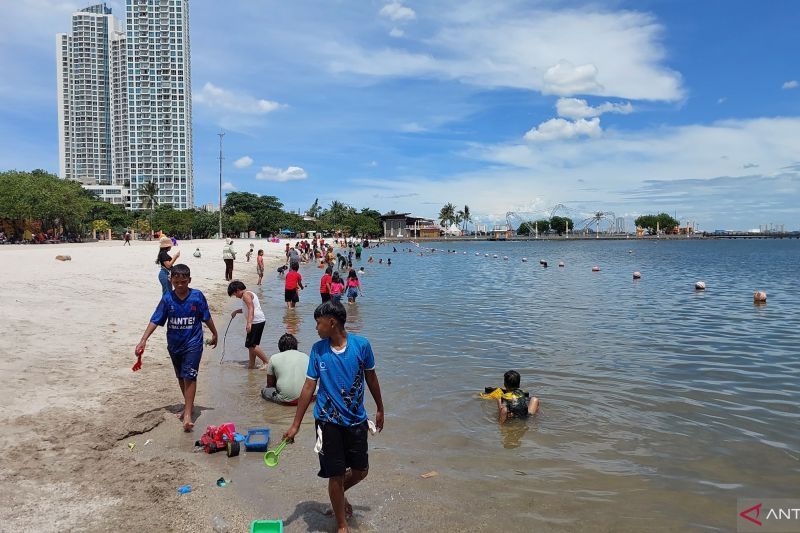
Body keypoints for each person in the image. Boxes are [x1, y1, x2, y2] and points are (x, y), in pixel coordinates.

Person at [282, 301, 384, 533]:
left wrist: (380, 408)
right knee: (335, 474)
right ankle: (341, 526)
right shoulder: (318, 350)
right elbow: (309, 386)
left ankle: (337, 495)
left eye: (318, 323)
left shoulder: (361, 346)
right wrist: (295, 425)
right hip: (327, 421)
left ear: (332, 323)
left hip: (356, 419)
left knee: (360, 471)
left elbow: (371, 378)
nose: (316, 327)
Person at [135, 264, 218, 431]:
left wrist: (215, 332)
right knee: (181, 376)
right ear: (171, 280)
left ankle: (187, 415)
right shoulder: (168, 299)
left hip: (193, 343)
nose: (180, 285)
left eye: (184, 282)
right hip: (174, 344)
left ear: (189, 280)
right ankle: (189, 405)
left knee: (190, 376)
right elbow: (155, 319)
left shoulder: (197, 296)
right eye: (176, 282)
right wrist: (143, 340)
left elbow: (206, 316)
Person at [228, 281, 269, 369]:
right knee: (251, 345)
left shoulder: (246, 295)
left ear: (238, 290)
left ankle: (267, 362)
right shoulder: (248, 294)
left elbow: (251, 308)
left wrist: (249, 323)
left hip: (256, 321)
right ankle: (251, 365)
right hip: (258, 321)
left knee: (251, 345)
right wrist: (236, 311)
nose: (236, 296)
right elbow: (246, 309)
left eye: (235, 294)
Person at [261, 333, 310, 405]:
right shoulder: (306, 356)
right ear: (296, 345)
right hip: (310, 396)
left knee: (265, 390)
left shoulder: (274, 358)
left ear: (280, 347)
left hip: (288, 401)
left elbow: (270, 385)